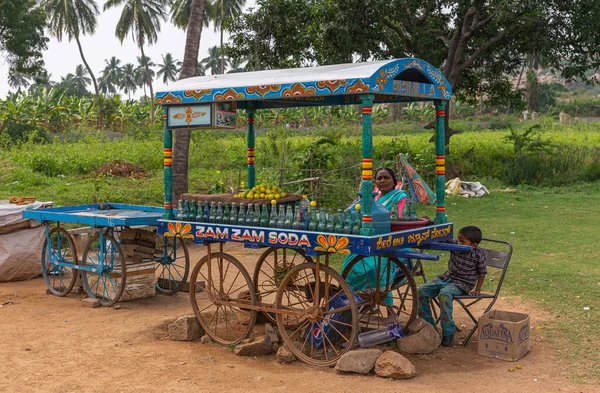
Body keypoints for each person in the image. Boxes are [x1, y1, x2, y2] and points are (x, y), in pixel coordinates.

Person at [342, 168, 407, 308]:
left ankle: (386, 305)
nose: (382, 181)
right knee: (352, 263)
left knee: (374, 267)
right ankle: (360, 301)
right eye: (379, 178)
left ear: (393, 181)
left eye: (386, 177)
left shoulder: (400, 196)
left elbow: (400, 219)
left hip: (392, 241)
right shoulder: (373, 199)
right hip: (371, 241)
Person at [417, 225, 487, 347]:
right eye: (458, 239)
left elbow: (482, 273)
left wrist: (478, 289)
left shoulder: (478, 254)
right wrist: (430, 226)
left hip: (463, 284)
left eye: (462, 241)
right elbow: (440, 239)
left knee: (444, 294)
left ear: (473, 245)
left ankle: (448, 331)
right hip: (446, 278)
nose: (458, 243)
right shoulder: (454, 245)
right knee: (421, 291)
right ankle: (428, 327)